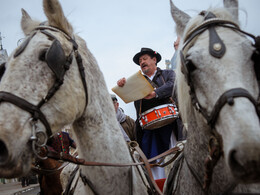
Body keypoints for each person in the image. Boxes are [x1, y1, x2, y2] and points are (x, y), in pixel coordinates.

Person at [117, 47, 182, 179]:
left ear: (154, 60)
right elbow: (129, 96)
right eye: (140, 60)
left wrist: (155, 93)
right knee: (154, 166)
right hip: (148, 130)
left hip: (170, 125)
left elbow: (173, 84)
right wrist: (123, 85)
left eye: (145, 58)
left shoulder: (168, 74)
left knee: (174, 160)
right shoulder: (137, 81)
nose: (142, 62)